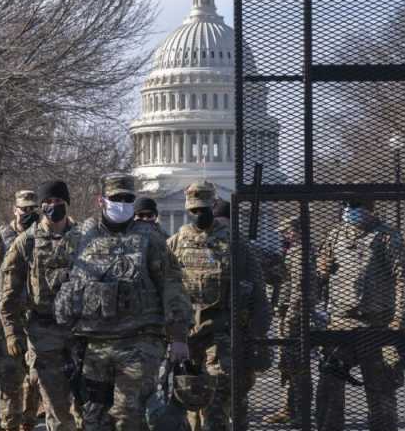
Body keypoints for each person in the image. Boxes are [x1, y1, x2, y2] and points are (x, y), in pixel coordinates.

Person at [54, 173, 193, 431]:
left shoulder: (150, 239)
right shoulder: (80, 237)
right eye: (116, 198)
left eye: (128, 198)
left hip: (139, 341)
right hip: (93, 344)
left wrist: (179, 336)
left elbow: (172, 287)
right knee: (94, 419)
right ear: (101, 200)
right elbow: (61, 283)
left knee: (129, 416)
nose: (123, 203)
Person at [167, 182, 270, 431]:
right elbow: (165, 287)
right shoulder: (176, 242)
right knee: (189, 400)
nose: (199, 215)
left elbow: (258, 289)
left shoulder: (235, 244)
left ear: (213, 205)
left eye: (203, 209)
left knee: (217, 403)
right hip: (188, 333)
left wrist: (256, 334)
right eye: (194, 210)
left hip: (221, 332)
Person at [314, 199, 405, 431]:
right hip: (340, 323)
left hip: (377, 324)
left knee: (380, 392)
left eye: (356, 206)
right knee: (329, 388)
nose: (349, 211)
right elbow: (321, 271)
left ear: (369, 209)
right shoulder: (337, 235)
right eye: (347, 206)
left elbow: (403, 278)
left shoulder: (387, 237)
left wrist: (400, 318)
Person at [0, 180, 80, 431]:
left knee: (88, 408)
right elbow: (9, 294)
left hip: (83, 334)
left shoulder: (86, 238)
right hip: (45, 335)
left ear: (67, 203)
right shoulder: (27, 242)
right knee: (56, 409)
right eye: (48, 202)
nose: (53, 206)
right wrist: (12, 333)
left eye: (58, 201)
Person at [0, 189, 43, 431]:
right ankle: (9, 424)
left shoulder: (41, 236)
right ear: (15, 209)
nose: (28, 213)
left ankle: (29, 422)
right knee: (10, 377)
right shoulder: (1, 237)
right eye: (24, 209)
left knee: (34, 379)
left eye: (32, 209)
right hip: (12, 316)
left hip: (36, 316)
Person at [262, 217, 314, 426]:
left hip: (295, 315)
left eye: (287, 231)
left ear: (297, 231)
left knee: (297, 365)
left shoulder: (301, 252)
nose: (284, 235)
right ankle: (288, 409)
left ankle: (300, 412)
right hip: (286, 313)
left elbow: (301, 288)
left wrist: (293, 315)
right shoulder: (293, 251)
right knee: (288, 364)